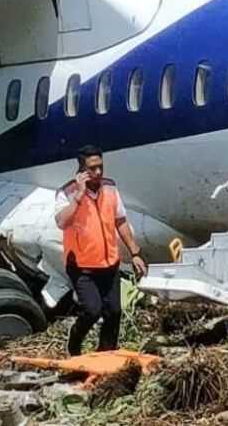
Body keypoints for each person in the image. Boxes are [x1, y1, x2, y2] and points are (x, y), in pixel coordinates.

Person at [55, 145, 148, 356]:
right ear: (81, 170)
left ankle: (107, 352)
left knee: (114, 311)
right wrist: (78, 195)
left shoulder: (110, 189)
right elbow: (62, 221)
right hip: (81, 266)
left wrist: (135, 253)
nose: (98, 172)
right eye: (92, 168)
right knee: (92, 310)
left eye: (100, 167)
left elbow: (120, 221)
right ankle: (74, 343)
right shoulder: (67, 192)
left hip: (109, 263)